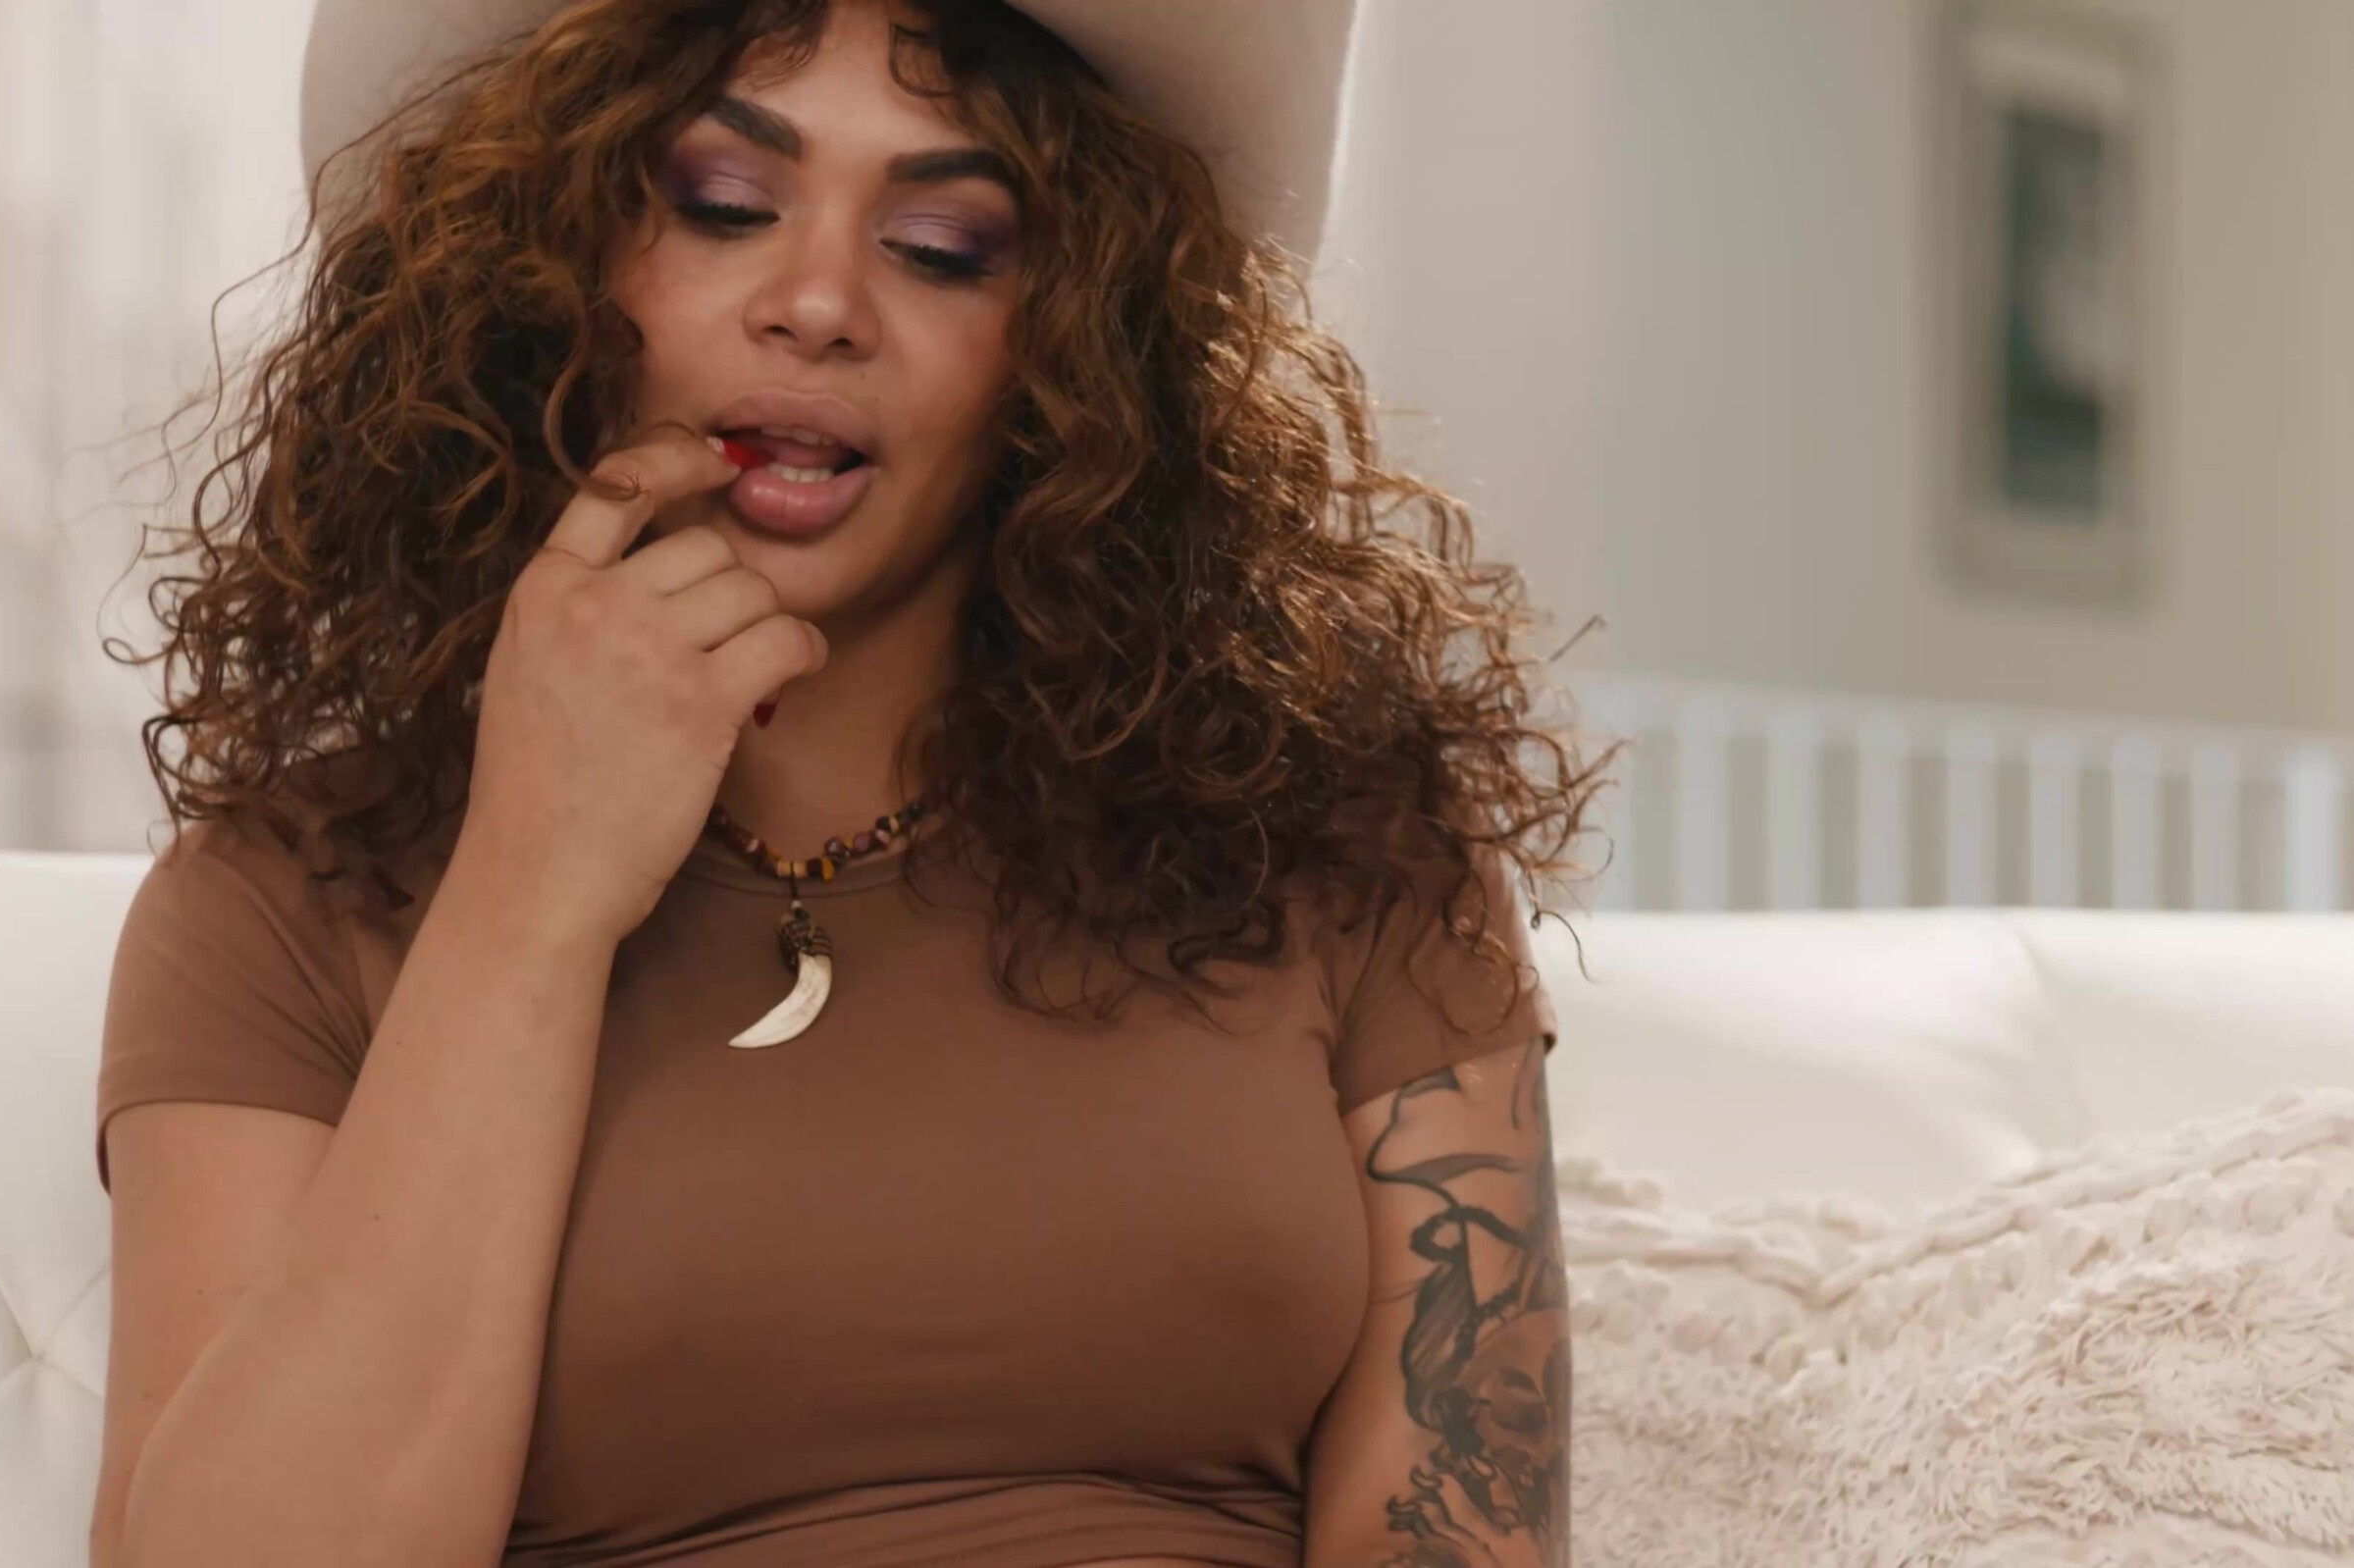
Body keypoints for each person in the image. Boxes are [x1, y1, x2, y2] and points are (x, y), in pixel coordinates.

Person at [90, 1, 1606, 1564]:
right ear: (545, 265)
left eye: (943, 247)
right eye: (723, 206)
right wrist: (533, 886)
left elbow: (1464, 1524)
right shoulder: (284, 901)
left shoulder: (1352, 842)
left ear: (1073, 342)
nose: (818, 305)